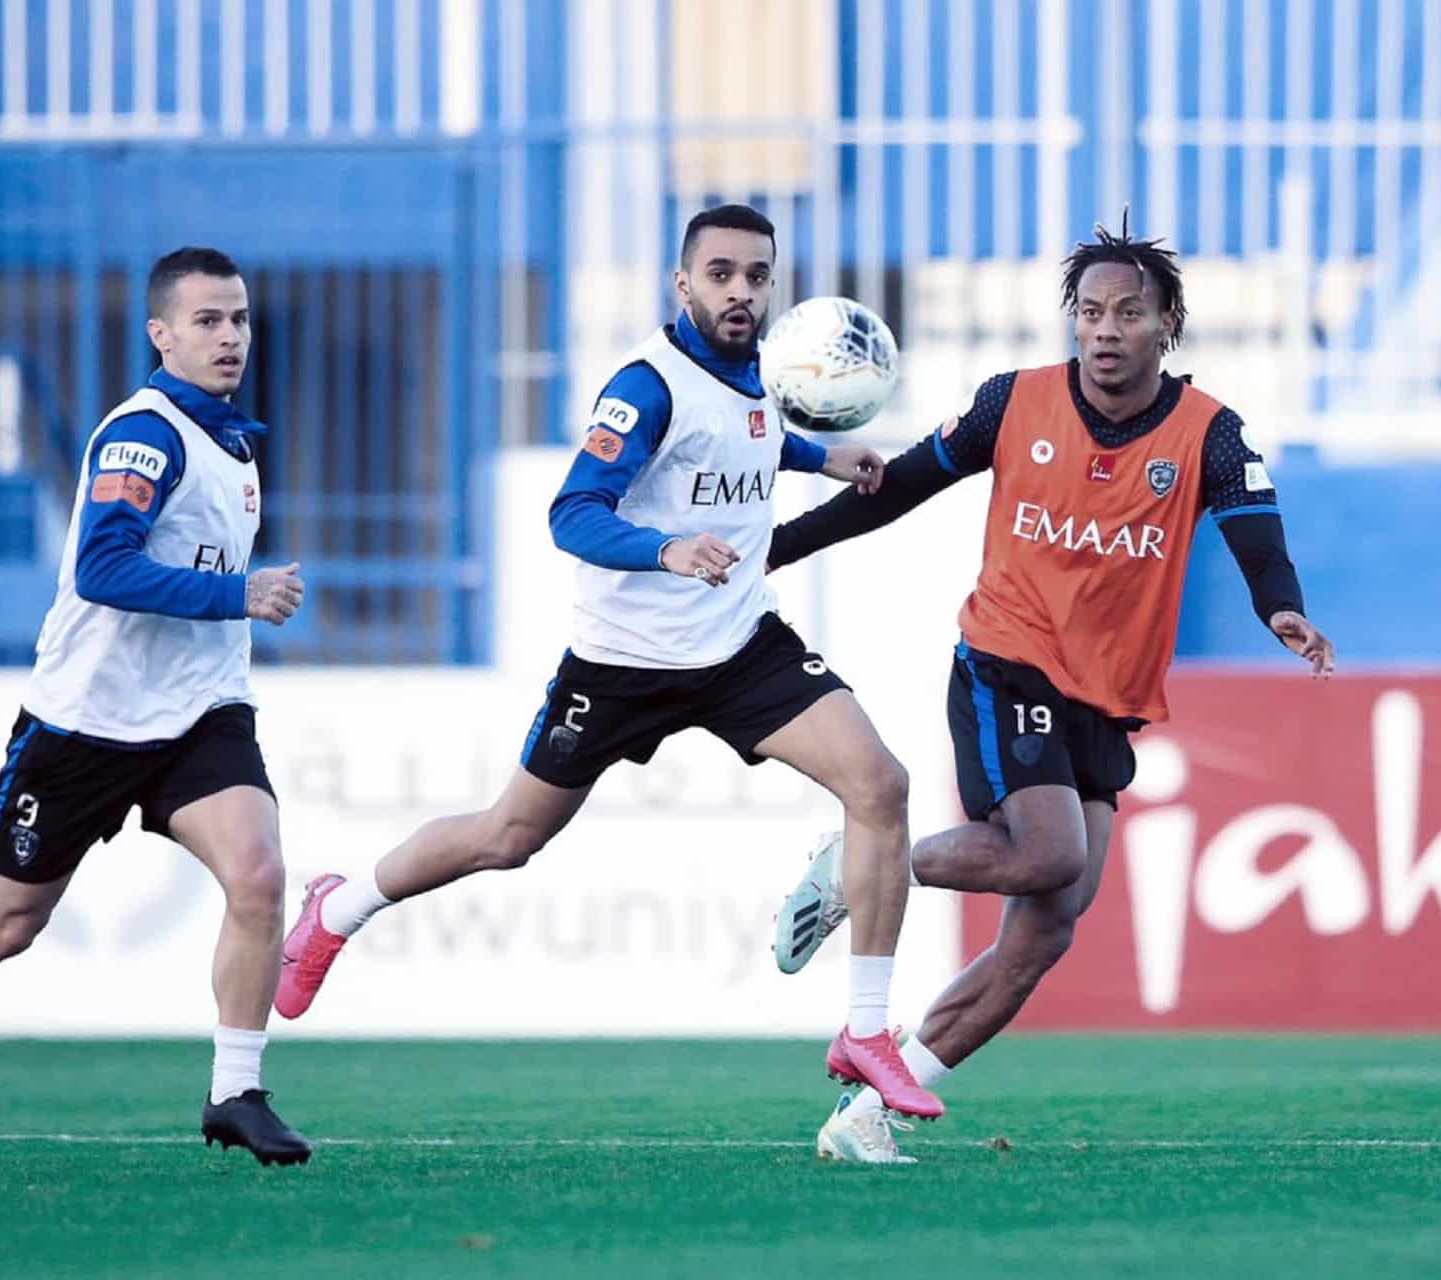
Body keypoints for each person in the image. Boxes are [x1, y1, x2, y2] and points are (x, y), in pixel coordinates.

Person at [274, 204, 944, 1122]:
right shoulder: (645, 384)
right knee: (506, 838)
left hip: (741, 645)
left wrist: (825, 459)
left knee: (880, 785)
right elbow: (573, 512)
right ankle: (338, 907)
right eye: (720, 275)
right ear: (682, 284)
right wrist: (665, 550)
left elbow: (745, 437)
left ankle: (865, 1030)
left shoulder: (763, 374)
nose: (740, 291)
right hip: (622, 665)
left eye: (756, 275)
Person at [766, 219, 1337, 1163]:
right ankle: (865, 862)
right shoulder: (1013, 404)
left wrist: (1282, 610)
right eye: (1088, 311)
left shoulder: (1209, 433)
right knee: (1044, 854)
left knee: (1047, 931)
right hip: (1007, 657)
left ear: (1167, 326)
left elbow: (1255, 530)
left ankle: (865, 1109)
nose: (1104, 328)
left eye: (1127, 312)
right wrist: (779, 548)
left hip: (1106, 696)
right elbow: (898, 487)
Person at [0, 248, 312, 1178]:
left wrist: (232, 612)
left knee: (260, 875)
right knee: (6, 925)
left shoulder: (233, 442)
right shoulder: (141, 437)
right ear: (161, 334)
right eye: (206, 321)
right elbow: (104, 569)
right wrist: (238, 595)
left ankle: (235, 1091)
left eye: (238, 320)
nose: (229, 336)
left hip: (199, 715)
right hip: (83, 726)